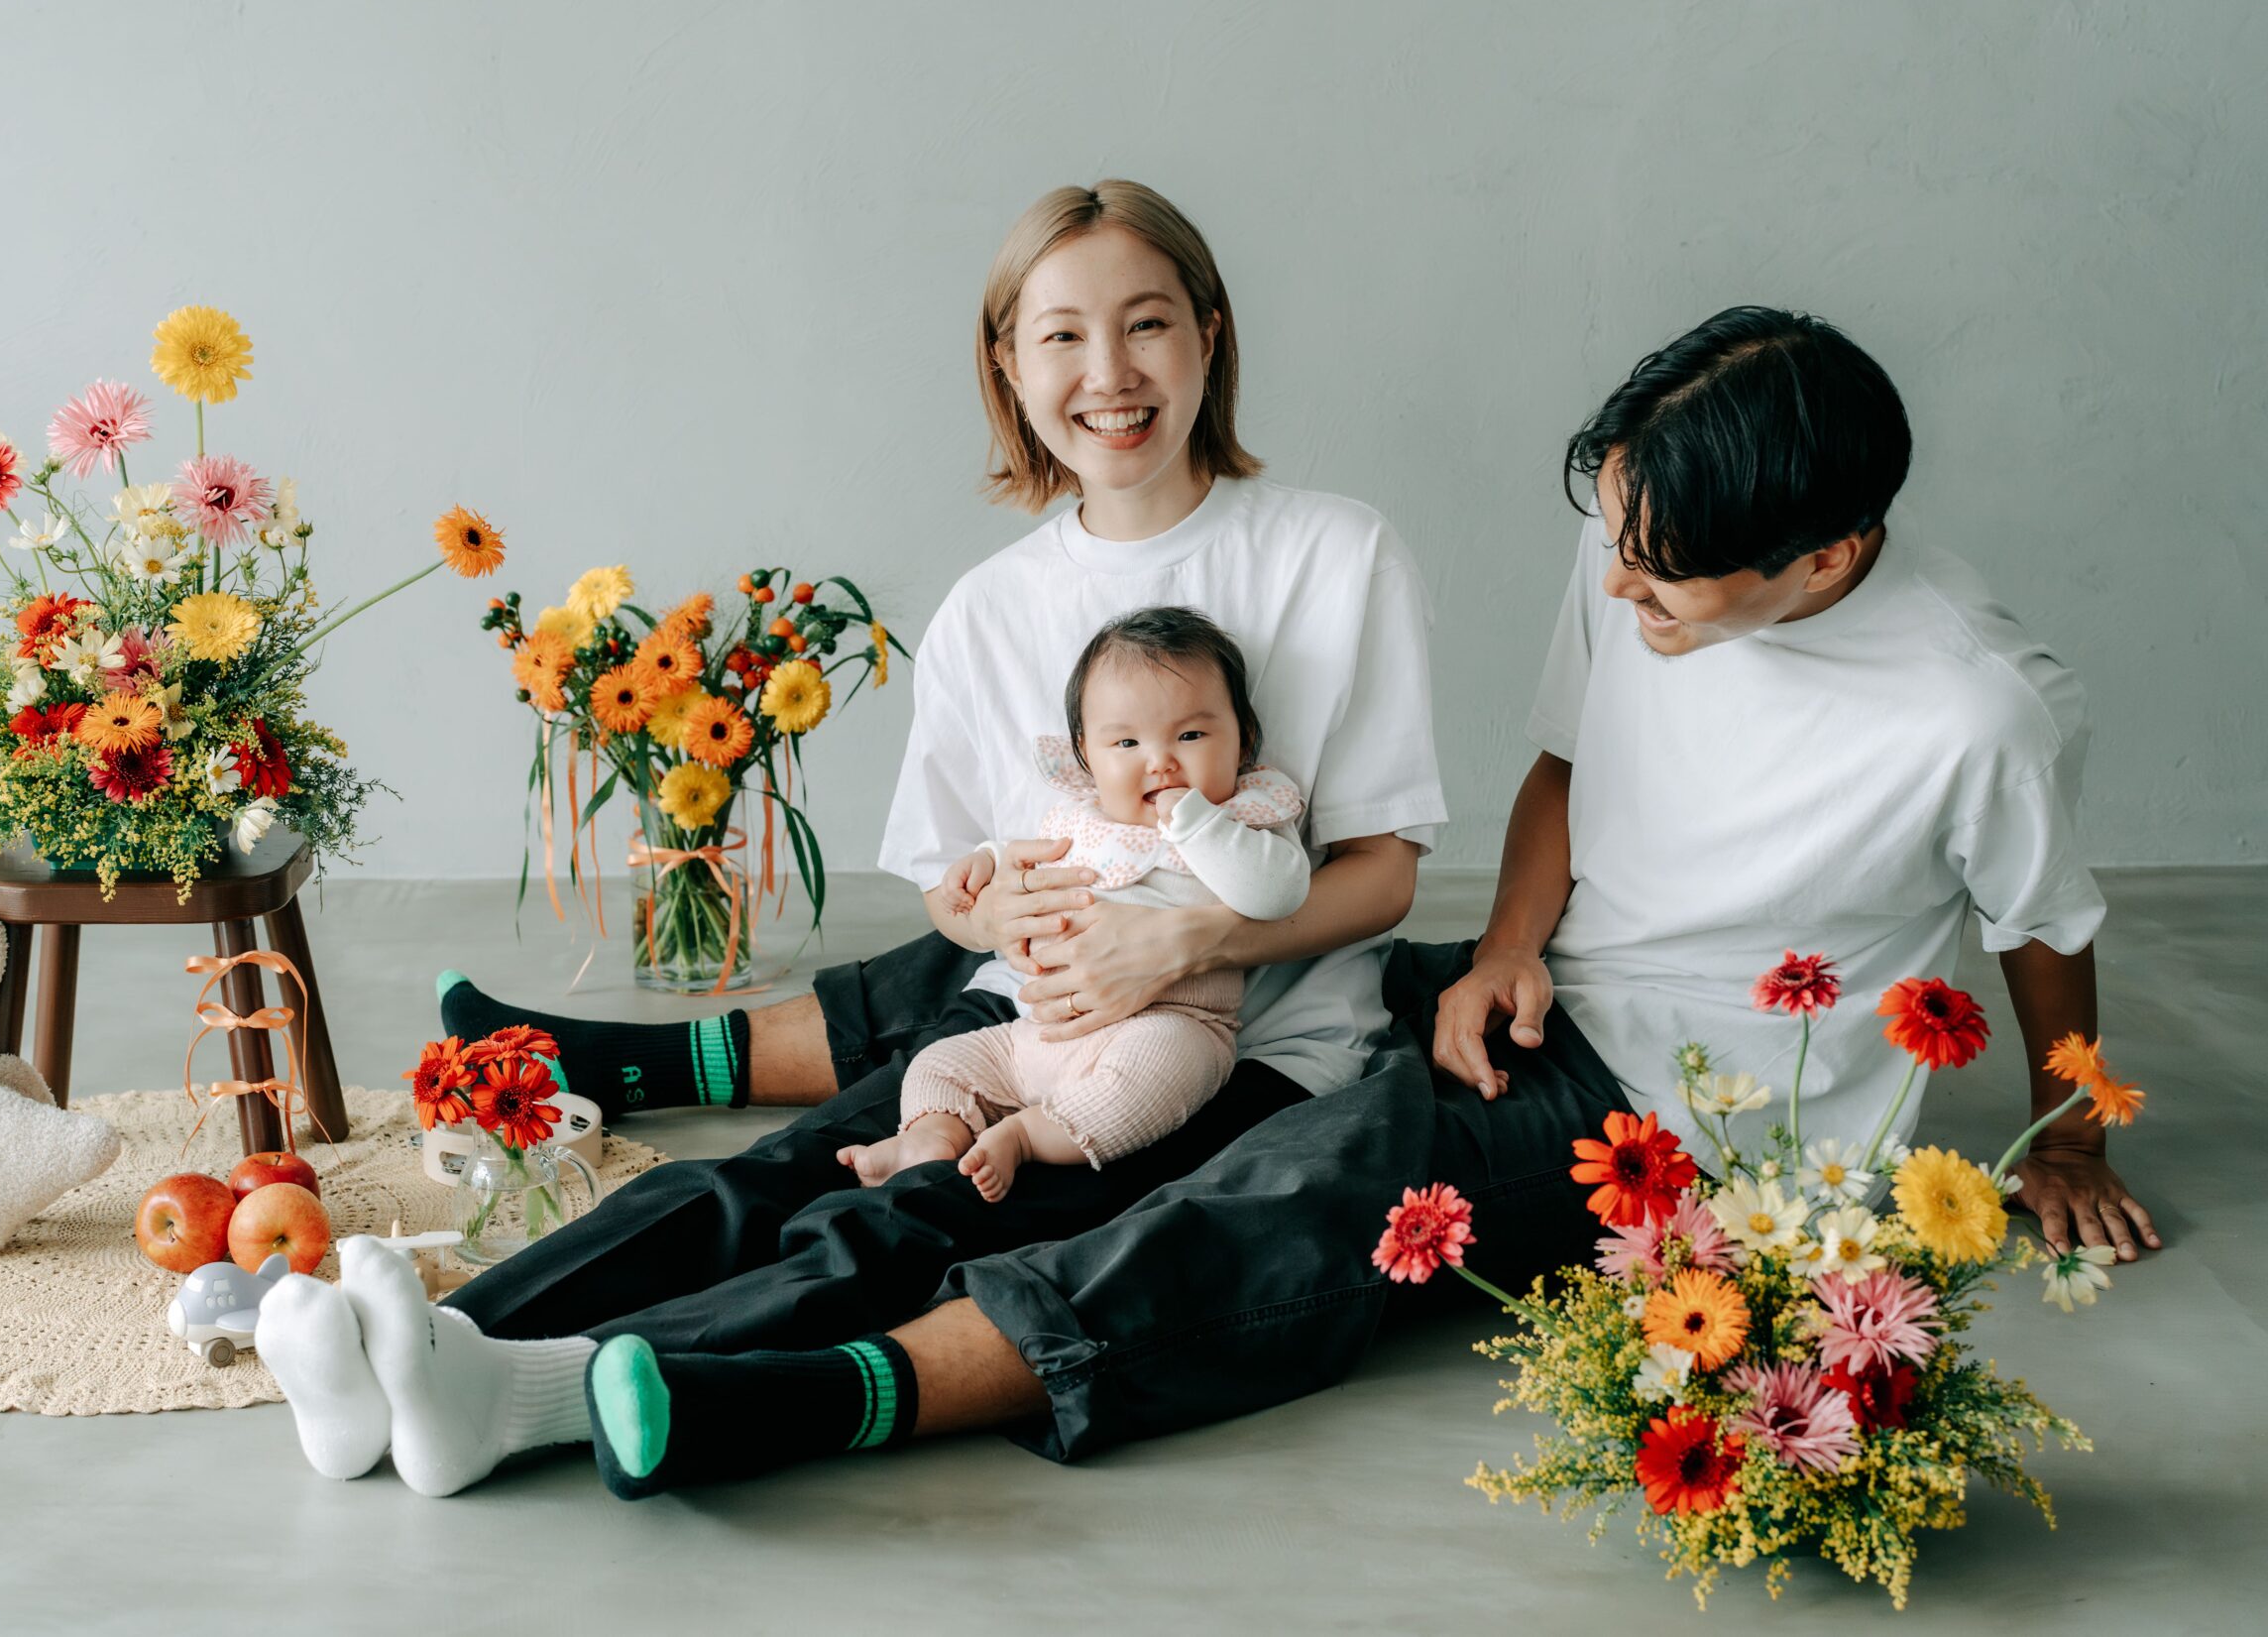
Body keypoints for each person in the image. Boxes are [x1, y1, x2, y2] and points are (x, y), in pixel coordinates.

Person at [554, 302, 2154, 1499]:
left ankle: (802, 1392)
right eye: (1615, 541)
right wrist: (1509, 947)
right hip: (1533, 984)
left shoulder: (1975, 708)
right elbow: (1564, 771)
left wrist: (2070, 1133)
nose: (1615, 588)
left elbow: (2042, 921)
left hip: (1697, 1101)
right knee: (1121, 931)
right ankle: (620, 1247)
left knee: (1303, 1181)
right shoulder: (1642, 534)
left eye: (1661, 579)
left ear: (1828, 557)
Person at [254, 177, 1450, 1495]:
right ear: (1007, 359)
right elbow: (952, 887)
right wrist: (994, 916)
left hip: (1238, 1057)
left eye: (1148, 323)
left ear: (1210, 335)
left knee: (909, 1210)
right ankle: (423, 1341)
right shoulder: (995, 608)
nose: (1109, 372)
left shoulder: (1336, 555)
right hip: (1032, 1020)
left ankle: (520, 1394)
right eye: (1061, 334)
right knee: (773, 1171)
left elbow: (1386, 871)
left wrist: (1184, 939)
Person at [840, 605, 1312, 1200]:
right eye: (1127, 741)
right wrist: (986, 863)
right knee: (943, 1062)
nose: (1160, 761)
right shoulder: (1086, 817)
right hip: (1043, 1031)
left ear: (1243, 737)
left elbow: (1278, 894)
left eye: (1191, 735)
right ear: (1088, 753)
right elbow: (1027, 850)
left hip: (1171, 1023)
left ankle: (1026, 1137)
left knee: (1154, 1076)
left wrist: (1196, 823)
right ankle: (933, 1133)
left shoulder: (1245, 817)